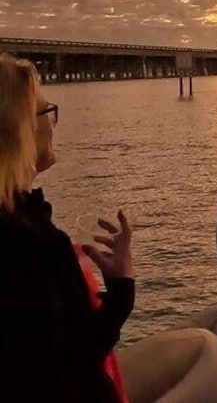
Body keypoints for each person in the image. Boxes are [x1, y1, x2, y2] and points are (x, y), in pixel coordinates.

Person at [0, 54, 135, 403]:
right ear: (20, 131)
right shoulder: (30, 244)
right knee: (214, 351)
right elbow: (76, 365)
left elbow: (34, 340)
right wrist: (122, 290)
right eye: (45, 112)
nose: (54, 123)